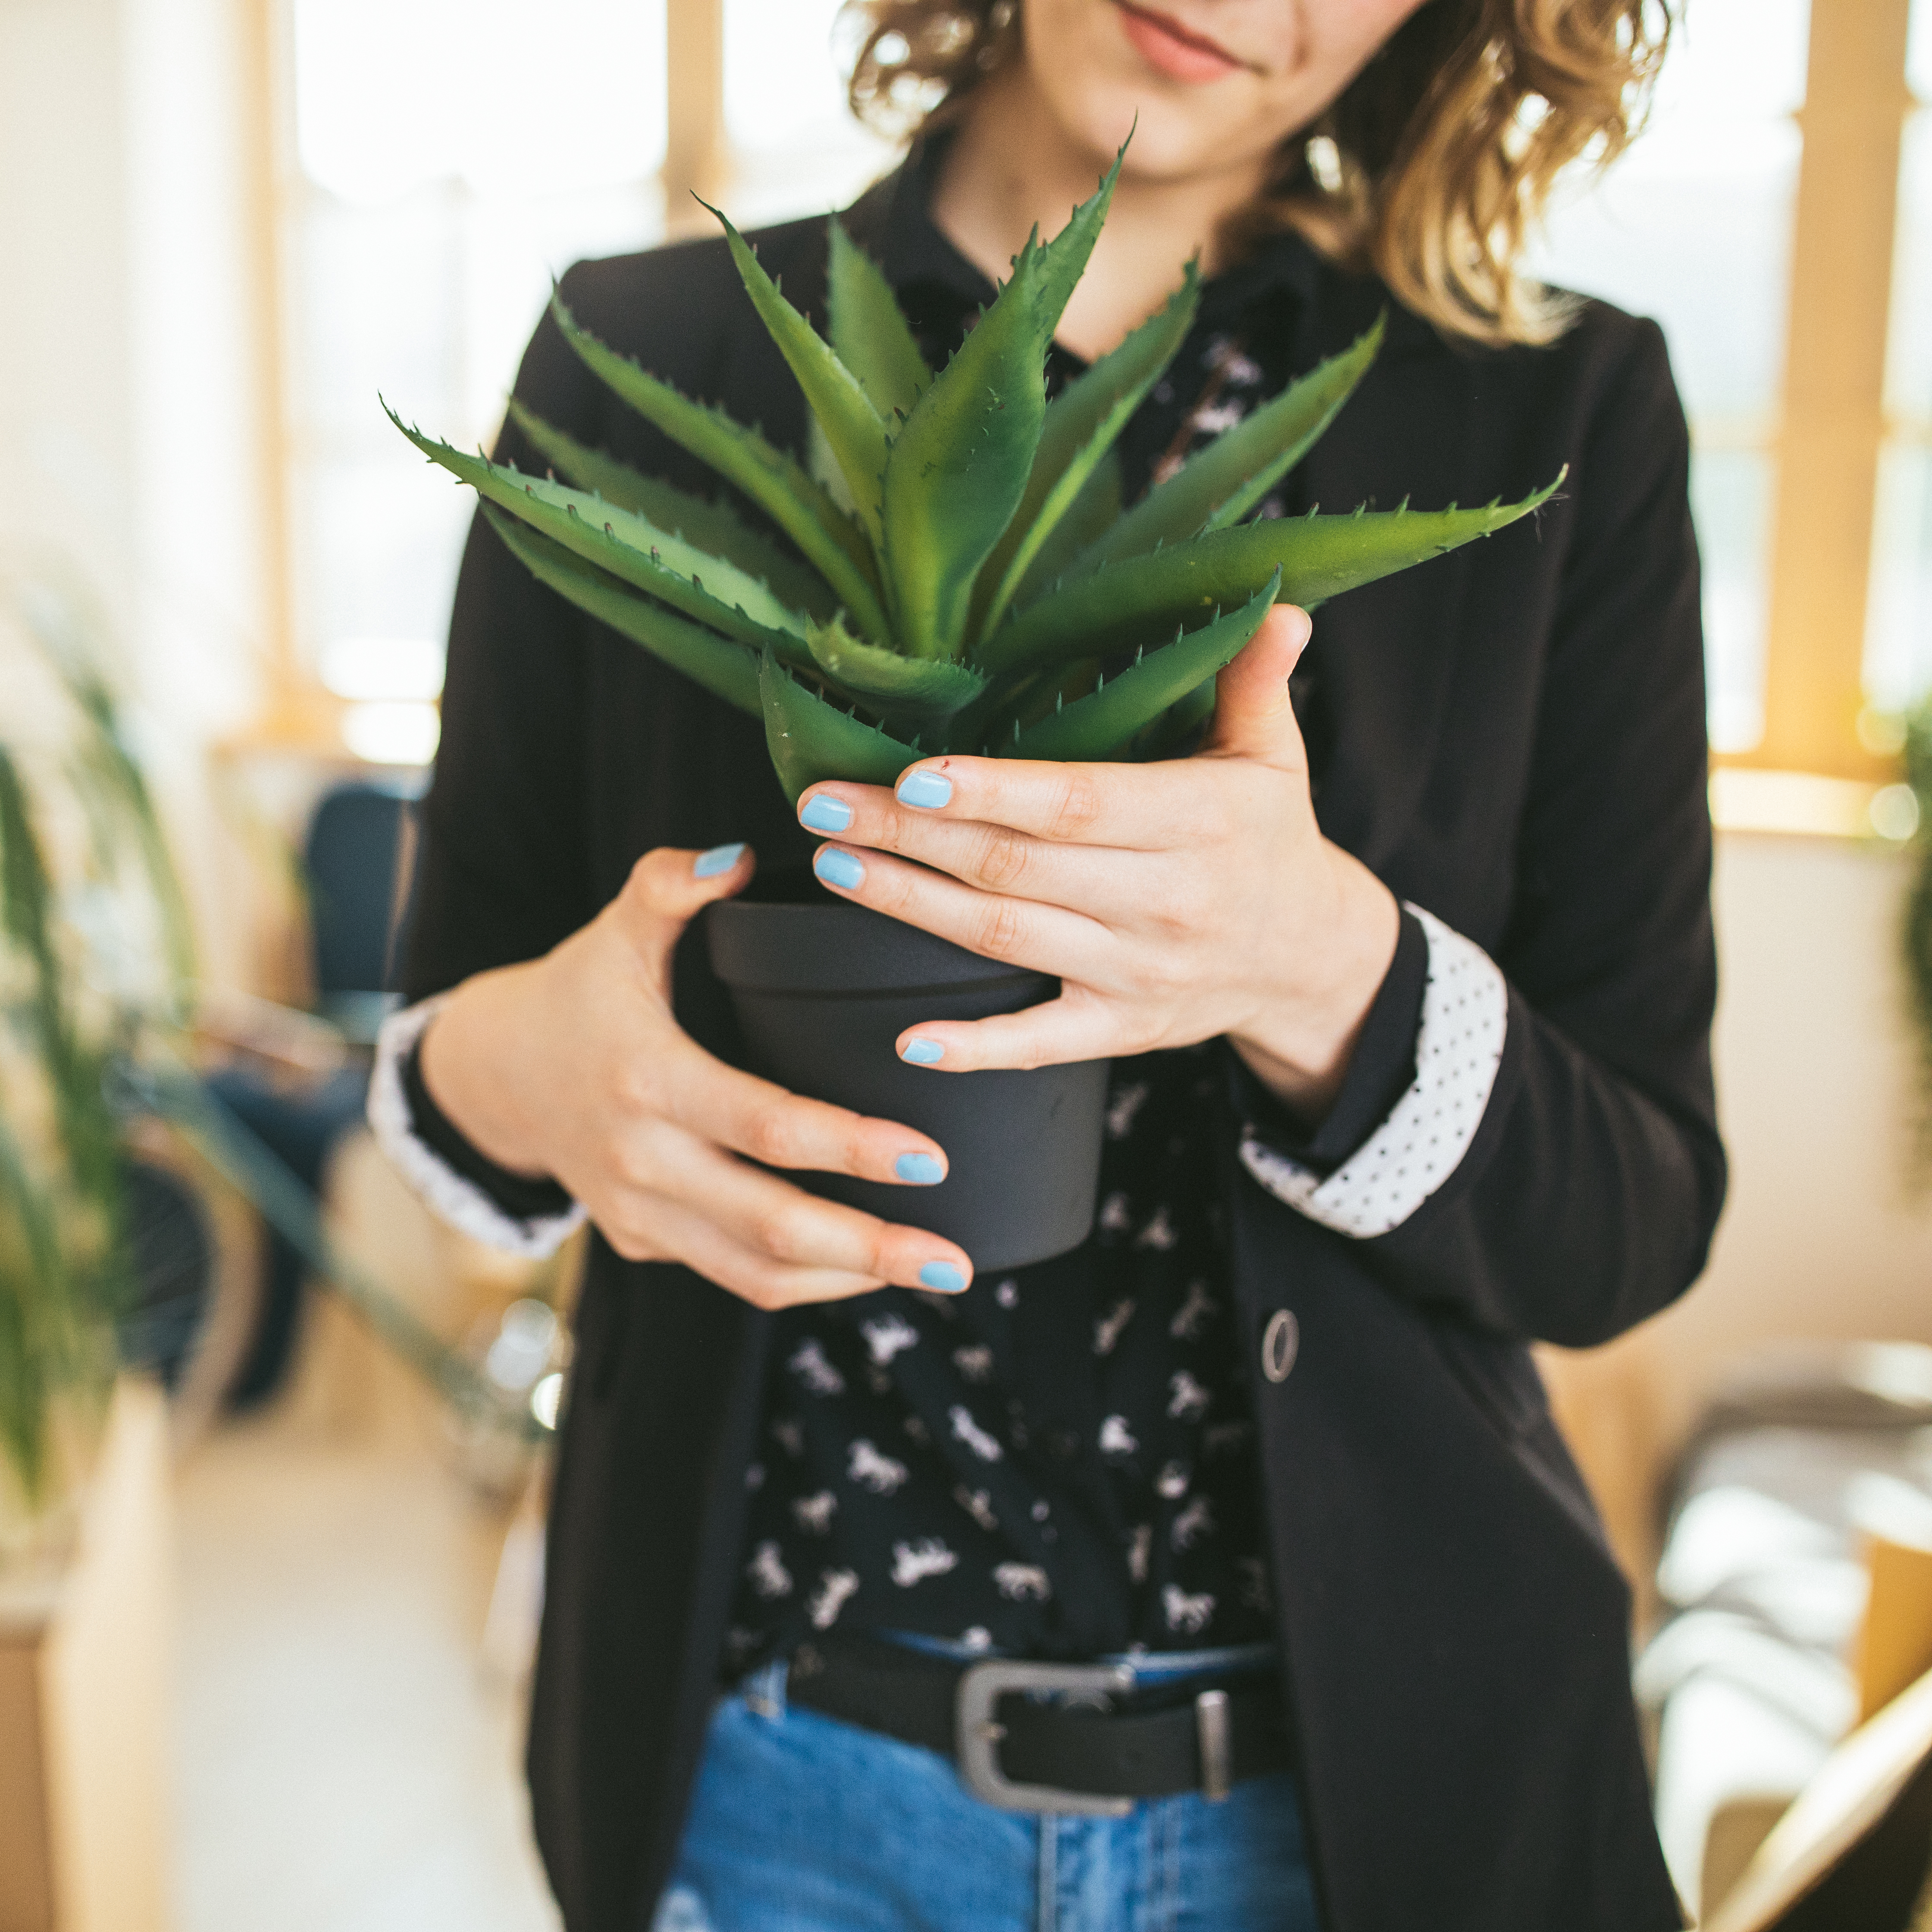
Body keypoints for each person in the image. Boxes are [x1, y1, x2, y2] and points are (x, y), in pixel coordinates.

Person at [367, 0, 1718, 1927]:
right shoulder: (652, 354)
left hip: (1371, 1819)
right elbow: (439, 1047)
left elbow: (1638, 1214)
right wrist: (536, 1071)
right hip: (768, 1790)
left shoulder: (1549, 411)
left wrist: (1325, 965)